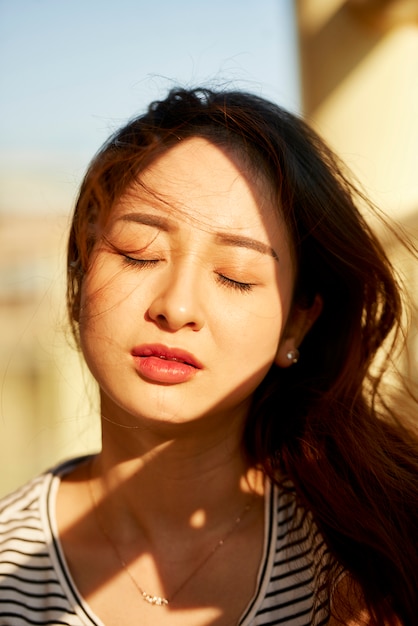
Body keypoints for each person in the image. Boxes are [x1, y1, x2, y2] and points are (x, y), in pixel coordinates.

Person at [0, 87, 417, 626]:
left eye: (234, 277)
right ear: (82, 270)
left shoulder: (374, 557)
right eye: (137, 252)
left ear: (297, 322)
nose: (176, 307)